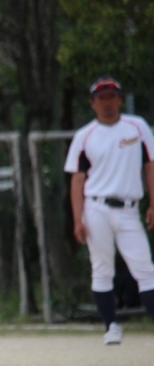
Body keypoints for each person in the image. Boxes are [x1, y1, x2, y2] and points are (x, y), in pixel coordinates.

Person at [65, 75, 154, 345]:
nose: (107, 102)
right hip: (97, 207)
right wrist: (77, 218)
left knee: (145, 268)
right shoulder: (85, 136)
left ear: (120, 100)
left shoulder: (137, 127)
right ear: (92, 103)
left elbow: (150, 166)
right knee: (102, 268)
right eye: (101, 98)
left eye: (112, 97)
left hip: (129, 207)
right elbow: (77, 179)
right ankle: (111, 326)